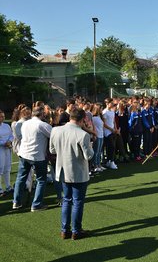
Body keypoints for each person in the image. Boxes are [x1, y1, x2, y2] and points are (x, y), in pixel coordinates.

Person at [50, 108, 94, 240]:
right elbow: (89, 156)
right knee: (77, 201)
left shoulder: (55, 130)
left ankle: (65, 230)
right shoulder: (83, 134)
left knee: (67, 200)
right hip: (78, 172)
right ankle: (76, 230)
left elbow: (52, 150)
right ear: (83, 119)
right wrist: (90, 145)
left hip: (63, 170)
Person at [13, 106, 52, 211]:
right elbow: (53, 135)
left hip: (24, 154)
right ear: (42, 114)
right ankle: (36, 204)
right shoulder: (43, 125)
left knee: (20, 178)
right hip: (37, 156)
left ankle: (16, 202)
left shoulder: (25, 123)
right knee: (41, 180)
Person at [0, 110, 13, 197]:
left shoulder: (6, 125)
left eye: (3, 116)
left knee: (7, 168)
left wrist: (9, 141)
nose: (2, 118)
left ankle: (8, 186)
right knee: (0, 168)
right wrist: (3, 143)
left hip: (7, 149)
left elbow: (12, 135)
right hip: (0, 149)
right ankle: (0, 189)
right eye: (1, 116)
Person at [103, 99, 119, 169]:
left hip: (113, 131)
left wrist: (115, 128)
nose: (112, 104)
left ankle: (110, 161)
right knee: (111, 146)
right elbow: (104, 124)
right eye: (111, 103)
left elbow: (113, 121)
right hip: (107, 132)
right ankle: (110, 161)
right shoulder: (104, 112)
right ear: (107, 103)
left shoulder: (112, 111)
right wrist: (111, 129)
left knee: (113, 147)